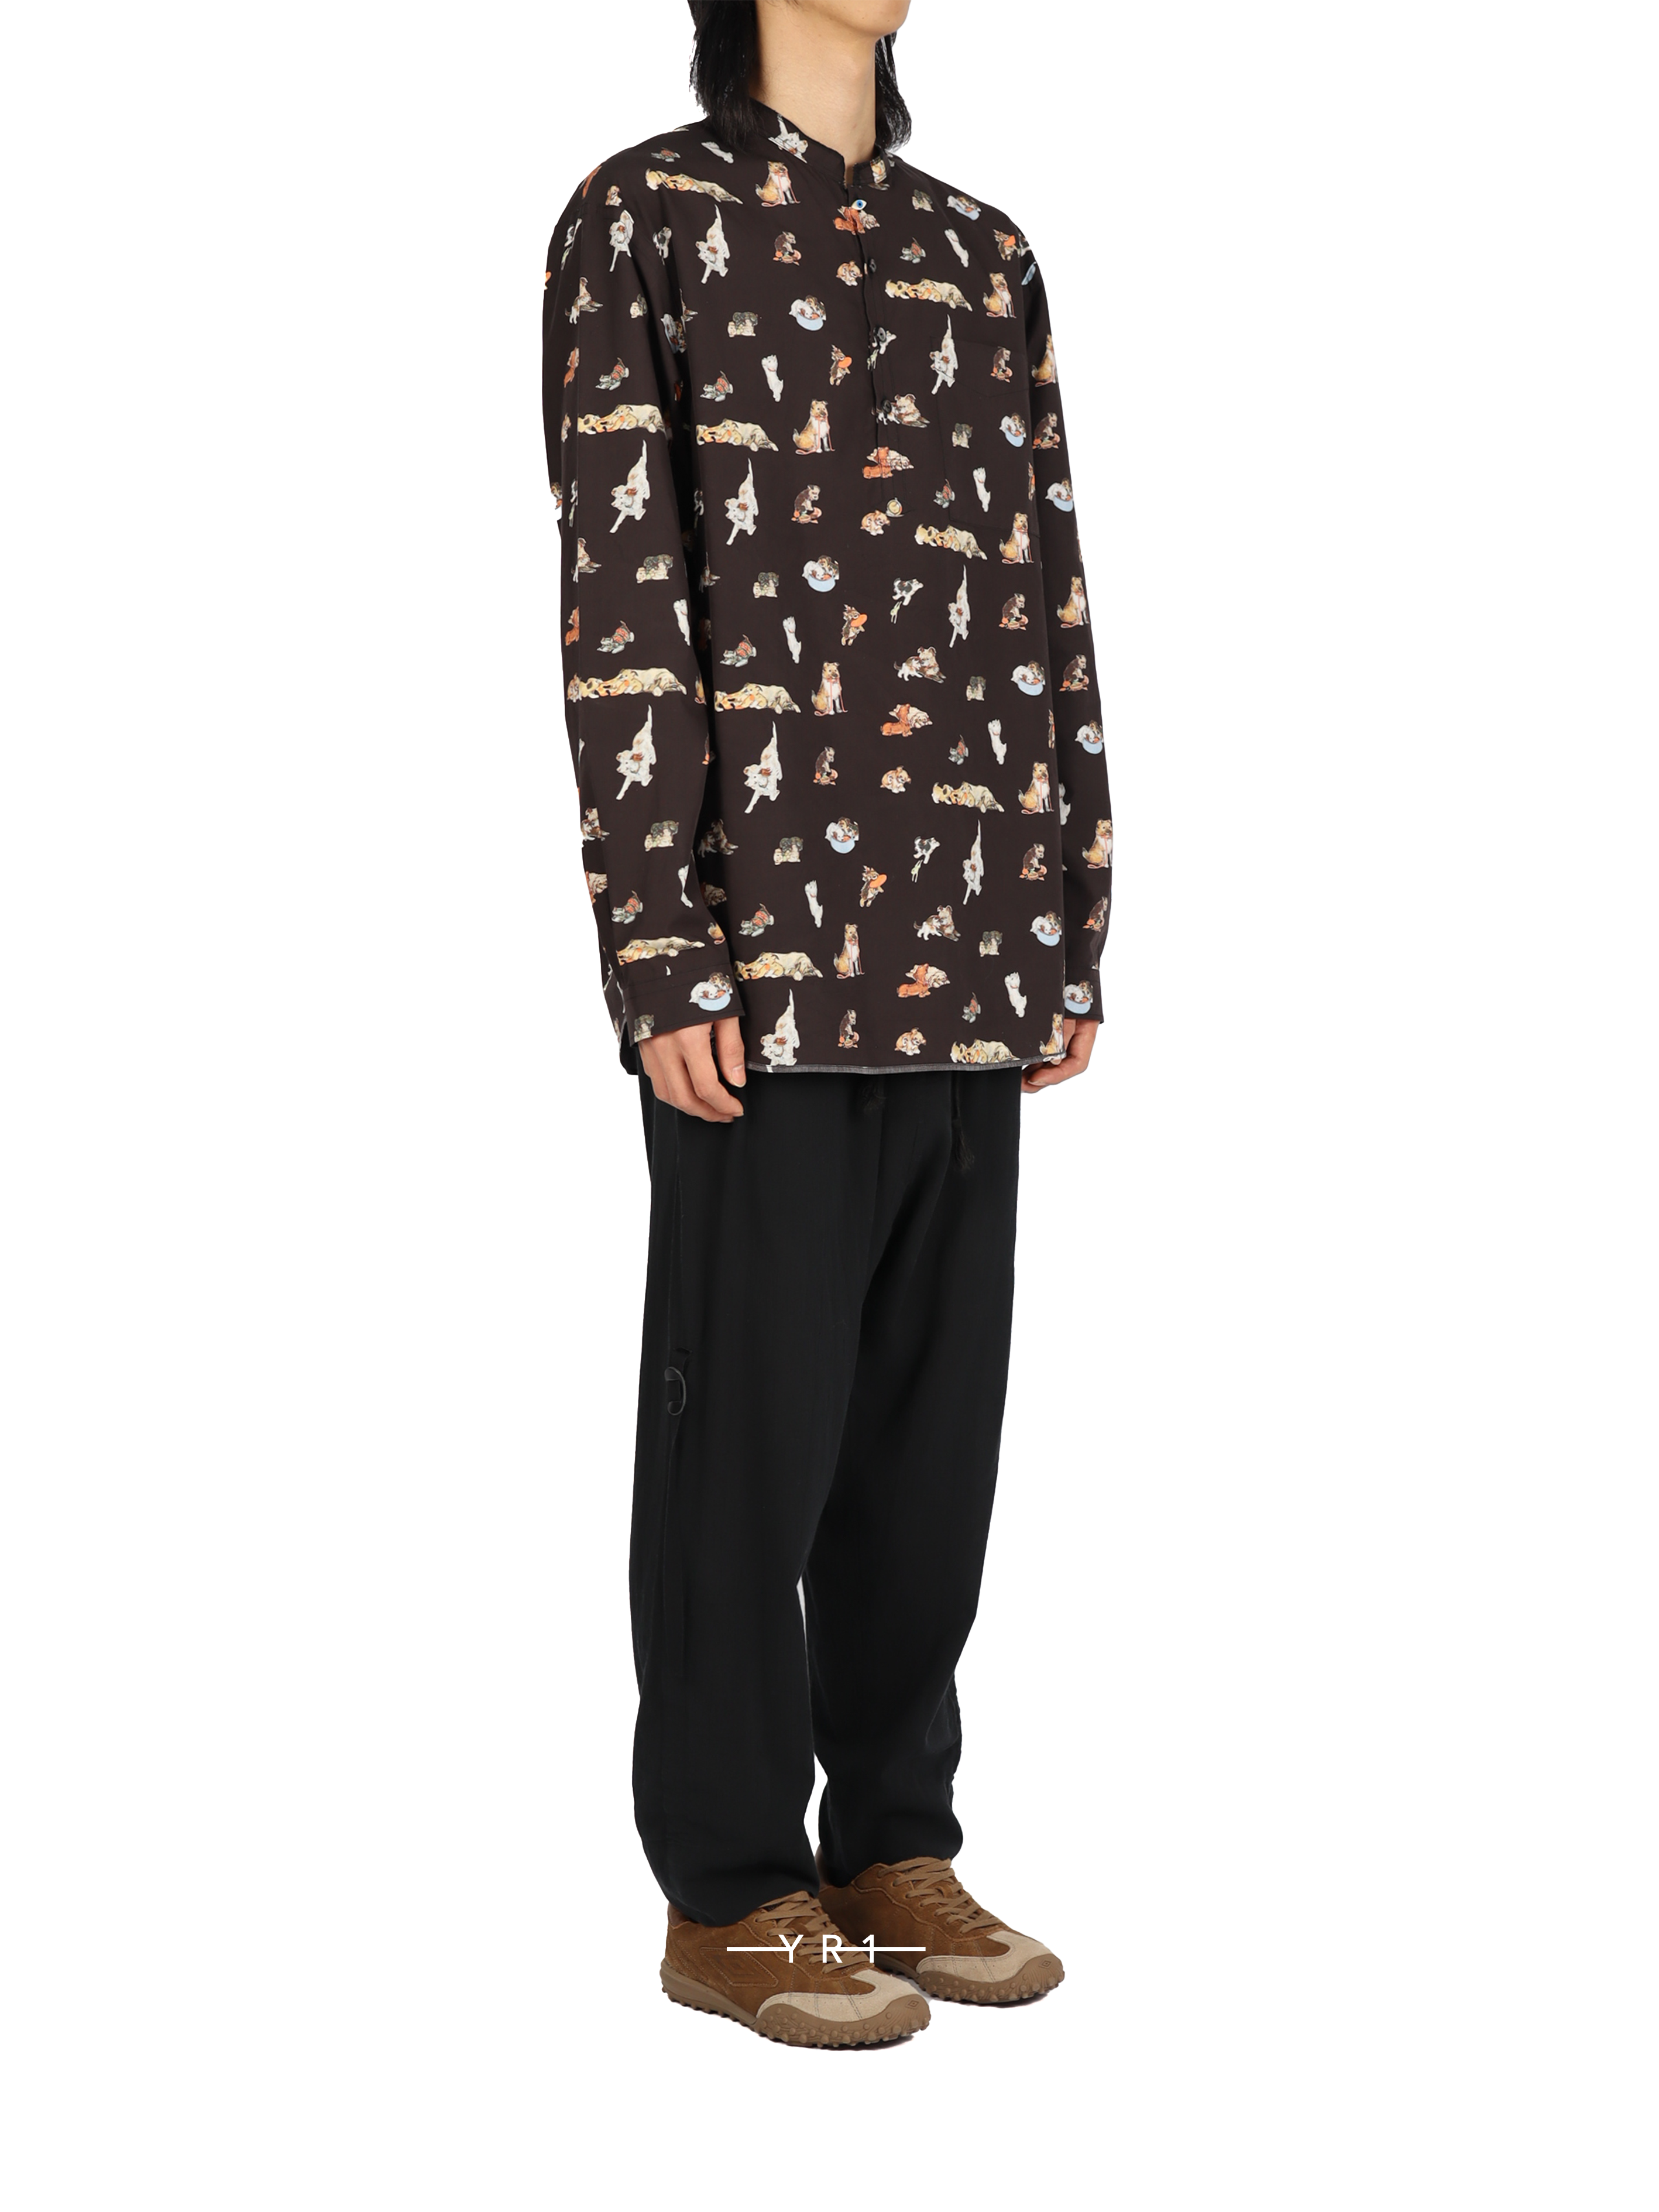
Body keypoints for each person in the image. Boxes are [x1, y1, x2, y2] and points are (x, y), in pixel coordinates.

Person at [542, 0, 1111, 2049]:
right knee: (751, 1441)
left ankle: (893, 1845)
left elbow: (1042, 586)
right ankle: (730, 1888)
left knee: (927, 1442)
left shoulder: (982, 255)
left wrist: (1069, 906)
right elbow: (628, 597)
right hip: (766, 969)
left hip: (968, 942)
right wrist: (663, 950)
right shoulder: (648, 222)